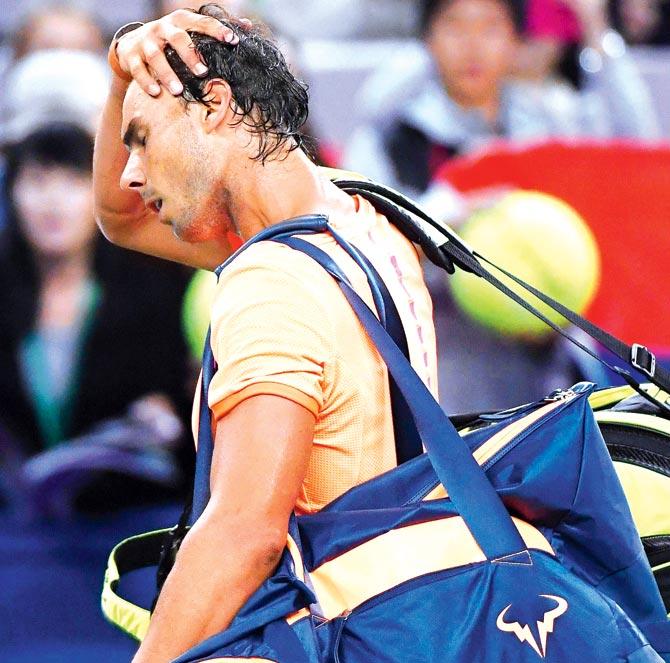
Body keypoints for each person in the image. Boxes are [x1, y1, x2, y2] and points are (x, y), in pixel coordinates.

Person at [94, 5, 437, 661]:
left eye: (140, 137)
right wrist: (120, 80)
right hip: (402, 616)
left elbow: (243, 532)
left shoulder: (271, 281)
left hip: (324, 632)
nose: (132, 171)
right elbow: (117, 215)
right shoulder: (363, 211)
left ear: (215, 105)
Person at [0, 50, 193, 511]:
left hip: (129, 519)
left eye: (73, 181)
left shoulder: (159, 283)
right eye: (37, 180)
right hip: (19, 535)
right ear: (13, 190)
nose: (53, 203)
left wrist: (166, 417)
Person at [344, 0, 661, 197]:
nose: (473, 45)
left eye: (491, 27)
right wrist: (446, 215)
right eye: (455, 27)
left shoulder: (551, 118)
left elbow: (637, 150)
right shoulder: (395, 137)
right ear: (428, 40)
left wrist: (597, 28)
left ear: (515, 42)